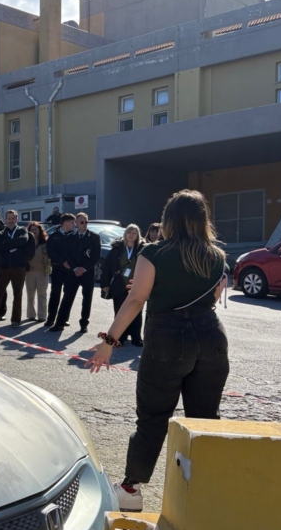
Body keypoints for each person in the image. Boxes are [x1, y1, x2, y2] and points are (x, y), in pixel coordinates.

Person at [87, 190, 229, 512]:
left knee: (153, 417)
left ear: (169, 220)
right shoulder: (216, 255)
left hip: (167, 337)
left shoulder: (153, 251)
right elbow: (211, 296)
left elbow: (136, 299)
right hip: (211, 336)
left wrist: (109, 342)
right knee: (206, 418)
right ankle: (205, 488)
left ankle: (131, 489)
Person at [0, 209, 33, 327]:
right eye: (9, 218)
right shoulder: (1, 233)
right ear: (5, 219)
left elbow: (23, 240)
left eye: (13, 218)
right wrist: (16, 246)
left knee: (17, 294)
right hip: (4, 267)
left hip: (19, 267)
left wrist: (8, 244)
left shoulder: (22, 230)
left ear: (16, 219)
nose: (11, 220)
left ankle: (15, 320)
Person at [50, 212, 100, 332]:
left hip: (87, 272)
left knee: (87, 298)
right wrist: (75, 268)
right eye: (81, 222)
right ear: (76, 223)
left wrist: (84, 268)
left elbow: (95, 256)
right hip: (73, 272)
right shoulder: (70, 237)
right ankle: (59, 323)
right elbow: (67, 255)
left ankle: (84, 324)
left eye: (86, 222)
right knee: (67, 297)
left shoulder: (94, 237)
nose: (84, 224)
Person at [101, 224, 145, 345]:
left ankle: (136, 337)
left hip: (136, 285)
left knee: (136, 311)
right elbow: (106, 267)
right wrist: (105, 283)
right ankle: (120, 336)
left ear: (137, 235)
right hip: (119, 284)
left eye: (134, 233)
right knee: (119, 311)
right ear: (125, 234)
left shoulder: (142, 249)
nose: (131, 235)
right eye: (129, 232)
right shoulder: (116, 249)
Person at [45, 213, 74, 327]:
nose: (74, 225)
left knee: (68, 295)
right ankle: (50, 318)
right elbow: (50, 252)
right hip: (57, 268)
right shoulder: (53, 236)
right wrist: (62, 262)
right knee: (55, 293)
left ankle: (64, 318)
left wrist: (70, 263)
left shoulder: (74, 236)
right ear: (65, 223)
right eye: (72, 222)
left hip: (70, 270)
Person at [25, 222, 51, 322]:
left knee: (42, 294)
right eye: (32, 230)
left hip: (42, 272)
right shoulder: (26, 243)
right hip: (29, 273)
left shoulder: (45, 243)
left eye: (36, 229)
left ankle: (42, 316)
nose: (34, 231)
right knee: (30, 294)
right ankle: (31, 315)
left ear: (40, 231)